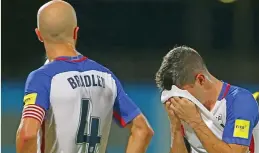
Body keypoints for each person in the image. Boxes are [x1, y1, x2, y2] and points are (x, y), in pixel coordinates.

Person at [16, 1, 153, 153]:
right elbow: (143, 130)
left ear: (39, 35)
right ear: (75, 32)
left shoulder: (43, 78)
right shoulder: (106, 77)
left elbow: (27, 135)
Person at [155, 46, 259, 153]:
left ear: (200, 80)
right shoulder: (185, 108)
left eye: (183, 93)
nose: (179, 100)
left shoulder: (241, 101)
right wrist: (175, 126)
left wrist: (195, 121)